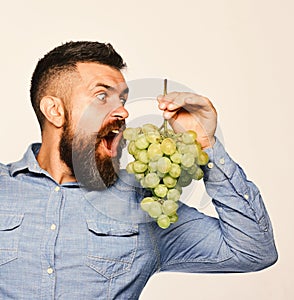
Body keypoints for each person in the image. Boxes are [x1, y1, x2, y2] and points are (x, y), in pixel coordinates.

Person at [0, 41, 277, 299]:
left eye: (122, 100)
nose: (123, 112)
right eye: (101, 96)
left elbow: (253, 251)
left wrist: (204, 144)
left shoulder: (144, 203)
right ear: (54, 111)